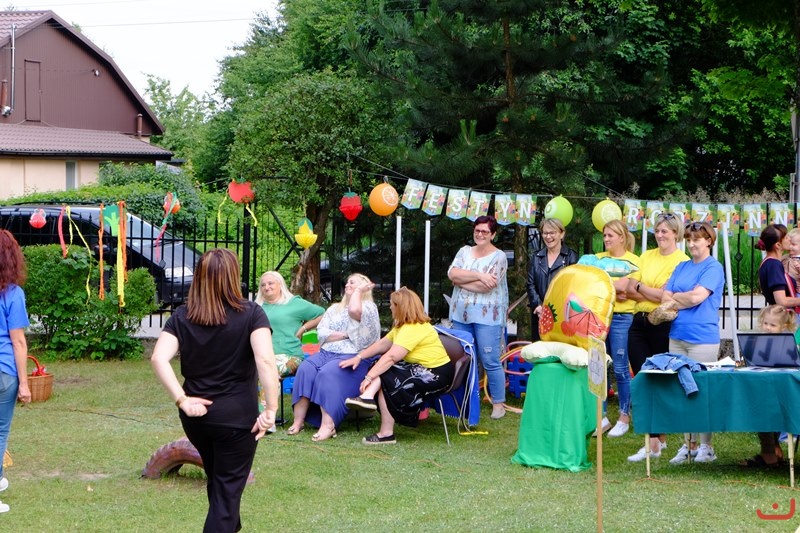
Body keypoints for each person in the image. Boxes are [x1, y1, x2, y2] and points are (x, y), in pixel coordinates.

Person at [151, 248, 280, 533]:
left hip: (197, 420)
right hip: (236, 421)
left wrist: (182, 400)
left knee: (221, 486)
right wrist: (271, 409)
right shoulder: (252, 314)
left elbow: (159, 358)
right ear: (233, 276)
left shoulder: (183, 315)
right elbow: (266, 361)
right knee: (226, 494)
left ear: (199, 277)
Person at [343, 287, 454, 444]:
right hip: (420, 368)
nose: (390, 307)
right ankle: (368, 399)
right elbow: (383, 344)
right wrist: (359, 357)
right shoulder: (403, 326)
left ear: (400, 307)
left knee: (387, 376)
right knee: (382, 368)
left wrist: (369, 377)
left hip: (437, 374)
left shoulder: (413, 328)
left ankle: (384, 431)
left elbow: (391, 357)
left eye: (392, 304)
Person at [626, 212, 689, 462]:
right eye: (657, 230)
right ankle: (656, 439)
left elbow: (667, 298)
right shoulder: (646, 256)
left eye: (665, 231)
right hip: (638, 321)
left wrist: (641, 288)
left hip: (663, 324)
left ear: (676, 233)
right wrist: (648, 291)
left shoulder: (682, 261)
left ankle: (655, 441)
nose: (660, 235)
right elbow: (629, 289)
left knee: (659, 379)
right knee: (642, 377)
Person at [287, 273, 381, 441]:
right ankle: (298, 421)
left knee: (328, 373)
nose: (348, 285)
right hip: (326, 352)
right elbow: (321, 332)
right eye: (347, 283)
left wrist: (358, 292)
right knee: (306, 369)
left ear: (363, 287)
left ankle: (328, 426)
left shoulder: (368, 308)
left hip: (354, 356)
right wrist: (346, 334)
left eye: (353, 283)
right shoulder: (334, 309)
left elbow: (355, 314)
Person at [660, 221, 724, 465]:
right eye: (688, 239)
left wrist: (676, 297)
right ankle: (689, 444)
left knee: (701, 391)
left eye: (697, 239)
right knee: (682, 389)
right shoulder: (682, 266)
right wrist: (681, 297)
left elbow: (698, 297)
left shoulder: (713, 267)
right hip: (677, 335)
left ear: (709, 241)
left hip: (702, 338)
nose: (692, 244)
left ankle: (707, 445)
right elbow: (664, 296)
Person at [447, 215, 508, 419]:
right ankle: (466, 398)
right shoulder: (464, 251)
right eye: (477, 230)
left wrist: (461, 280)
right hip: (460, 314)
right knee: (463, 357)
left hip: (487, 317)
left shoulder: (499, 257)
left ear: (493, 234)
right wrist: (480, 275)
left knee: (489, 359)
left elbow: (486, 288)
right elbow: (452, 274)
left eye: (485, 231)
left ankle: (498, 403)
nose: (480, 234)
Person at [595, 220, 639, 438]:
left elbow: (625, 288)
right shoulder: (598, 259)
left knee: (621, 368)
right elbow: (591, 284)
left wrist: (606, 286)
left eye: (610, 235)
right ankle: (600, 417)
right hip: (599, 316)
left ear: (622, 237)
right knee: (599, 366)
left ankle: (624, 417)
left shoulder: (634, 261)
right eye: (604, 235)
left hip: (622, 317)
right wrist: (616, 290)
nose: (606, 239)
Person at [0, 230, 32, 514]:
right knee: (0, 433)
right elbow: (18, 341)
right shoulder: (13, 294)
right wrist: (24, 384)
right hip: (4, 371)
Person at [255, 271, 324, 376]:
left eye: (270, 283)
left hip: (289, 355)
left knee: (266, 371)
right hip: (262, 356)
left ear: (280, 284)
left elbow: (322, 314)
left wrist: (303, 328)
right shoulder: (257, 307)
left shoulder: (294, 303)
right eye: (263, 285)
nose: (266, 287)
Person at [527, 217, 578, 342]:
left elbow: (575, 286)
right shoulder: (536, 257)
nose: (548, 237)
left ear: (562, 234)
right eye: (545, 233)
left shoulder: (571, 256)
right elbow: (530, 284)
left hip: (563, 315)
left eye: (552, 233)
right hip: (540, 314)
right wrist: (538, 306)